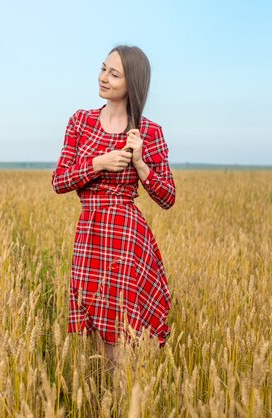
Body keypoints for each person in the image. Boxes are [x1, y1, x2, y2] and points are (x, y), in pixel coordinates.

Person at [51, 45, 175, 365]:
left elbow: (167, 198)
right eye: (103, 68)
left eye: (114, 73)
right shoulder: (81, 122)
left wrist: (141, 163)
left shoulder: (149, 132)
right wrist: (99, 163)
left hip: (126, 238)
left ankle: (126, 404)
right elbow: (60, 181)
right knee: (96, 337)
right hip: (90, 235)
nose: (103, 77)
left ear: (131, 82)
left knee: (123, 337)